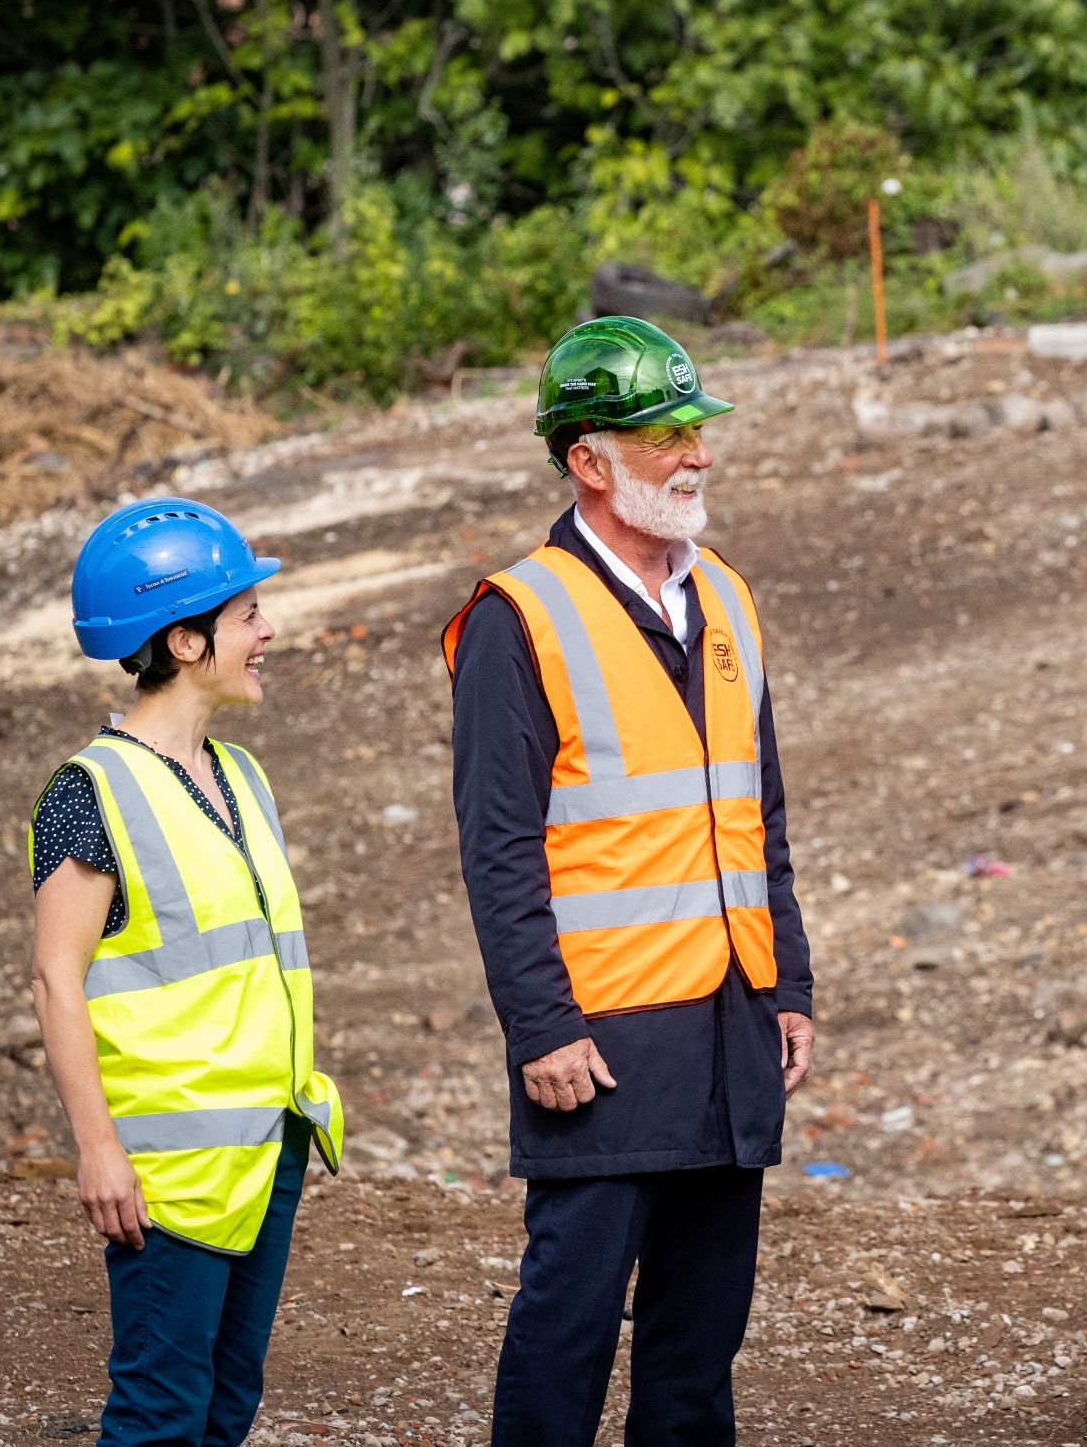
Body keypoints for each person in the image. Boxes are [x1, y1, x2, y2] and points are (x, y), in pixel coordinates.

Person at [443, 315, 814, 1447]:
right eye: (666, 435)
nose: (697, 453)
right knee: (567, 1328)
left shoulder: (729, 600)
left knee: (698, 1349)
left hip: (728, 1026)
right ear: (588, 461)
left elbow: (764, 813)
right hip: (598, 1045)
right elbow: (496, 847)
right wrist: (541, 1024)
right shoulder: (519, 616)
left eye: (698, 428)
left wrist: (786, 982)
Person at [30, 497, 344, 1447]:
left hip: (265, 1147)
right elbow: (55, 978)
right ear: (183, 638)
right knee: (160, 1413)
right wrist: (97, 1148)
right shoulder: (91, 791)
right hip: (168, 1172)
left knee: (223, 1408)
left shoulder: (242, 774)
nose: (267, 630)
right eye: (247, 614)